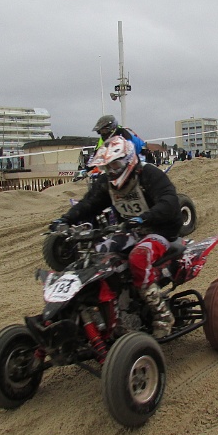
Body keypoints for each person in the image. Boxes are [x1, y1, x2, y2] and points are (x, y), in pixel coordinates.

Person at [49, 136, 181, 337]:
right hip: (130, 230)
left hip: (160, 231)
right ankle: (112, 311)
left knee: (138, 257)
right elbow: (89, 204)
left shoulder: (149, 174)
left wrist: (143, 218)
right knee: (97, 256)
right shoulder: (107, 182)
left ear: (129, 160)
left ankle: (162, 313)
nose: (111, 171)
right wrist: (65, 220)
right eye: (107, 166)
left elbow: (170, 202)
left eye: (116, 164)